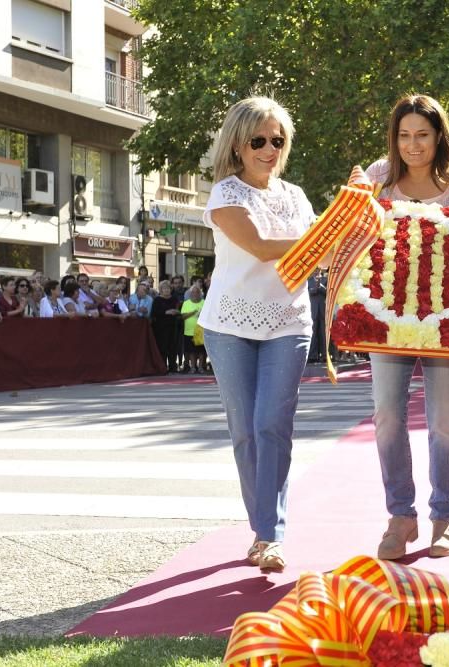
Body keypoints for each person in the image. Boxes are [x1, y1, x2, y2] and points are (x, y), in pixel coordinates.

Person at [198, 96, 323, 574]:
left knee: (273, 424)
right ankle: (263, 528)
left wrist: (354, 228)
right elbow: (261, 246)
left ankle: (270, 535)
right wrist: (326, 235)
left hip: (289, 323)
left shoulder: (296, 196)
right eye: (259, 140)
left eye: (279, 140)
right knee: (246, 430)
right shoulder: (225, 195)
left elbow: (319, 257)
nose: (270, 149)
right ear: (238, 143)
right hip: (228, 325)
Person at [363, 94, 449, 561]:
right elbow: (355, 237)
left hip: (444, 320)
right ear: (394, 139)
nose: (413, 145)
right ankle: (400, 516)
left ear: (439, 137)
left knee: (445, 424)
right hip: (387, 319)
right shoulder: (376, 180)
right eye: (404, 135)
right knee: (387, 417)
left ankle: (443, 517)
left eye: (423, 135)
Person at [152, 280, 182, 370]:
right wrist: (166, 312)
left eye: (168, 288)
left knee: (173, 347)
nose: (166, 290)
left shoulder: (174, 299)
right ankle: (163, 367)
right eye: (164, 288)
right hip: (161, 327)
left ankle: (173, 367)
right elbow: (154, 312)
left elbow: (180, 310)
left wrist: (176, 311)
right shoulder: (157, 300)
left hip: (173, 326)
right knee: (163, 347)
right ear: (161, 290)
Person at [181, 285, 206, 373]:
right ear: (190, 294)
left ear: (200, 293)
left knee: (201, 351)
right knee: (191, 351)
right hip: (189, 331)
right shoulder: (186, 303)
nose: (195, 294)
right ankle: (193, 367)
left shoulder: (204, 302)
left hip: (200, 330)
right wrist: (193, 312)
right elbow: (183, 316)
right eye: (193, 292)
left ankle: (200, 367)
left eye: (197, 292)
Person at [306, 269, 327, 363]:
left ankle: (325, 355)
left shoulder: (325, 280)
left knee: (323, 334)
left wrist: (320, 286)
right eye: (315, 270)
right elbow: (307, 292)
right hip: (312, 311)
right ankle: (313, 355)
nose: (316, 271)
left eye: (318, 270)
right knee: (313, 334)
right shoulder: (309, 280)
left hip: (323, 310)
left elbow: (328, 292)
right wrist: (315, 289)